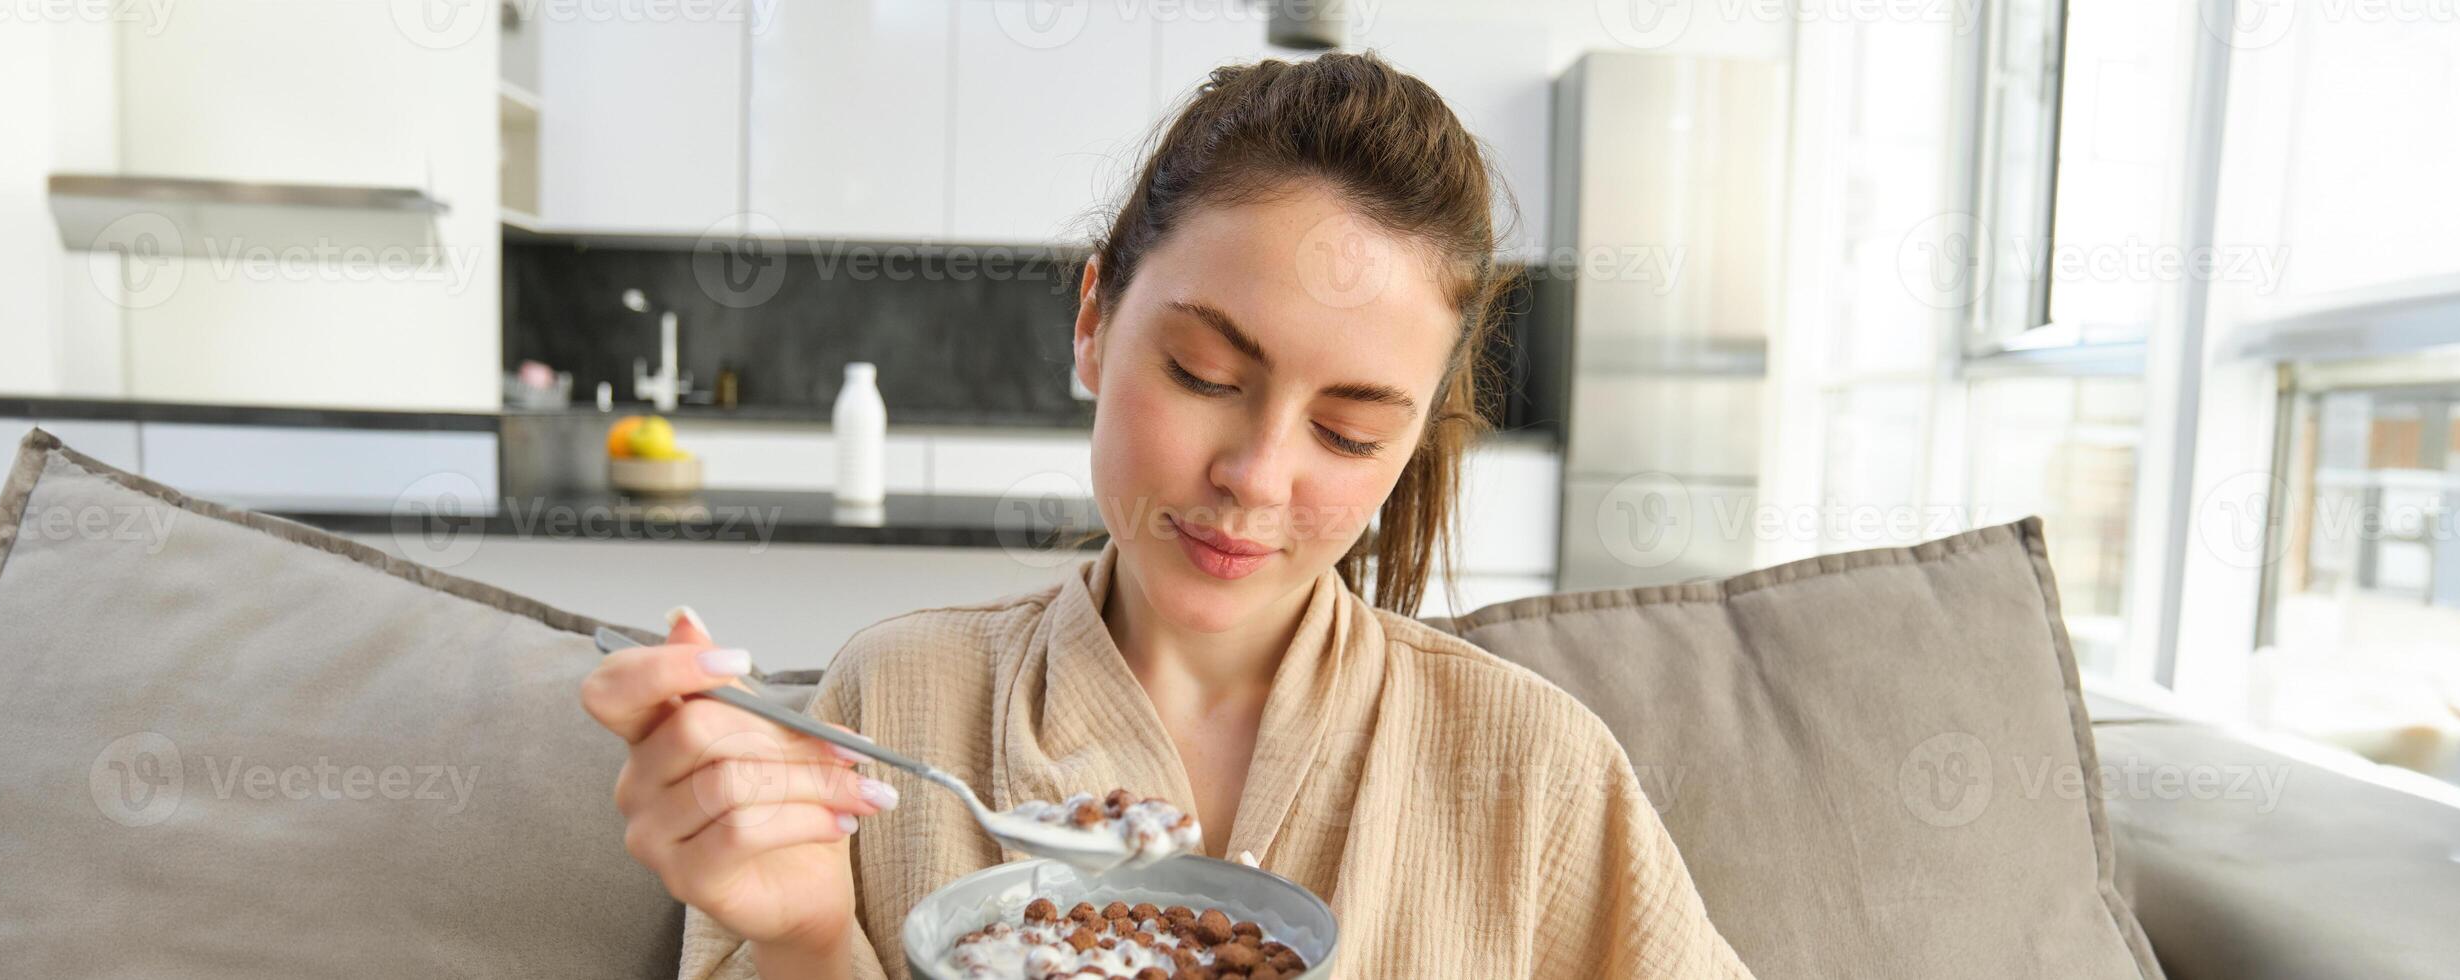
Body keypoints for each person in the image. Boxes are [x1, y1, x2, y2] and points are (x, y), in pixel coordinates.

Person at [581, 51, 1756, 979]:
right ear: (1093, 318)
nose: (1254, 474)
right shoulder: (891, 700)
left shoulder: (1532, 769)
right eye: (1201, 372)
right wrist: (800, 940)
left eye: (1347, 432)